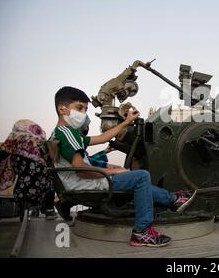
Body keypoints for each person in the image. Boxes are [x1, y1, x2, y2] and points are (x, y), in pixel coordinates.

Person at [52, 86, 194, 247]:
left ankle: (174, 199)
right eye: (79, 108)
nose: (83, 113)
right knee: (141, 176)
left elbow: (102, 137)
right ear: (62, 109)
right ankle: (142, 231)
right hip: (84, 184)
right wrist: (112, 171)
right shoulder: (67, 133)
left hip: (76, 183)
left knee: (137, 180)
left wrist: (126, 122)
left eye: (85, 109)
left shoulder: (61, 132)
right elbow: (81, 169)